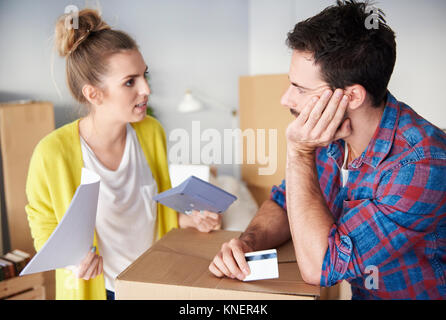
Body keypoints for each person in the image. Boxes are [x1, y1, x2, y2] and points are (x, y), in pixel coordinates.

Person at [209, 0, 446, 299]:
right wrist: (249, 243)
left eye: (300, 89)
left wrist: (298, 152)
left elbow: (322, 266)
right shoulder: (328, 133)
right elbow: (285, 202)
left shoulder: (422, 165)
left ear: (351, 97)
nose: (285, 99)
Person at [25, 9, 221, 300]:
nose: (146, 89)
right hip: (101, 290)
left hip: (155, 279)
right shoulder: (51, 153)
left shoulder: (151, 132)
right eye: (130, 82)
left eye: (145, 75)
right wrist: (72, 262)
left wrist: (187, 220)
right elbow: (43, 227)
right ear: (94, 94)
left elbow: (154, 205)